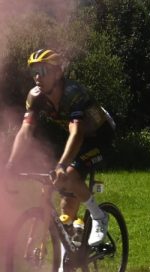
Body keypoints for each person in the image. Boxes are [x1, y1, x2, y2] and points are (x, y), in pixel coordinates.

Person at [6, 49, 116, 254]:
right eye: (34, 71)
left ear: (57, 73)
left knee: (70, 174)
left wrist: (61, 165)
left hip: (100, 137)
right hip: (77, 139)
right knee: (51, 188)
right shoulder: (35, 96)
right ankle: (63, 256)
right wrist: (11, 165)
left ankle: (99, 216)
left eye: (43, 70)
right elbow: (25, 132)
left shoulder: (73, 93)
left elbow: (77, 133)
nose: (37, 76)